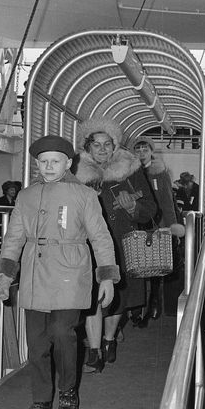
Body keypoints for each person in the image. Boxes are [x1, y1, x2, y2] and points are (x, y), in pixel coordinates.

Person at [0, 135, 119, 409]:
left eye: (55, 161)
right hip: (34, 275)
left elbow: (100, 237)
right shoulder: (25, 196)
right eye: (44, 162)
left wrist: (107, 277)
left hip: (70, 273)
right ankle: (41, 398)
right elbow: (14, 237)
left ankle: (67, 390)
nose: (49, 167)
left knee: (63, 333)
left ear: (68, 163)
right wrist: (4, 276)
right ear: (37, 163)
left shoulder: (85, 196)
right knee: (37, 343)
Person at [75, 119, 160, 371]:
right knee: (93, 298)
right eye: (96, 144)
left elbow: (151, 209)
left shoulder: (131, 169)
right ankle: (95, 350)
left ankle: (109, 340)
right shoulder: (74, 172)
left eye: (107, 144)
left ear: (115, 146)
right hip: (88, 244)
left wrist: (133, 207)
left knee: (117, 298)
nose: (102, 149)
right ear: (86, 146)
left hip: (122, 242)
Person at [131, 137, 185, 325]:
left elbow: (167, 202)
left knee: (153, 269)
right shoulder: (128, 171)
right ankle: (136, 309)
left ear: (151, 151)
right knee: (135, 267)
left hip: (155, 225)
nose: (141, 152)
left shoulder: (159, 172)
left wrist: (171, 227)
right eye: (138, 149)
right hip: (136, 224)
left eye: (145, 149)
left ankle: (153, 306)